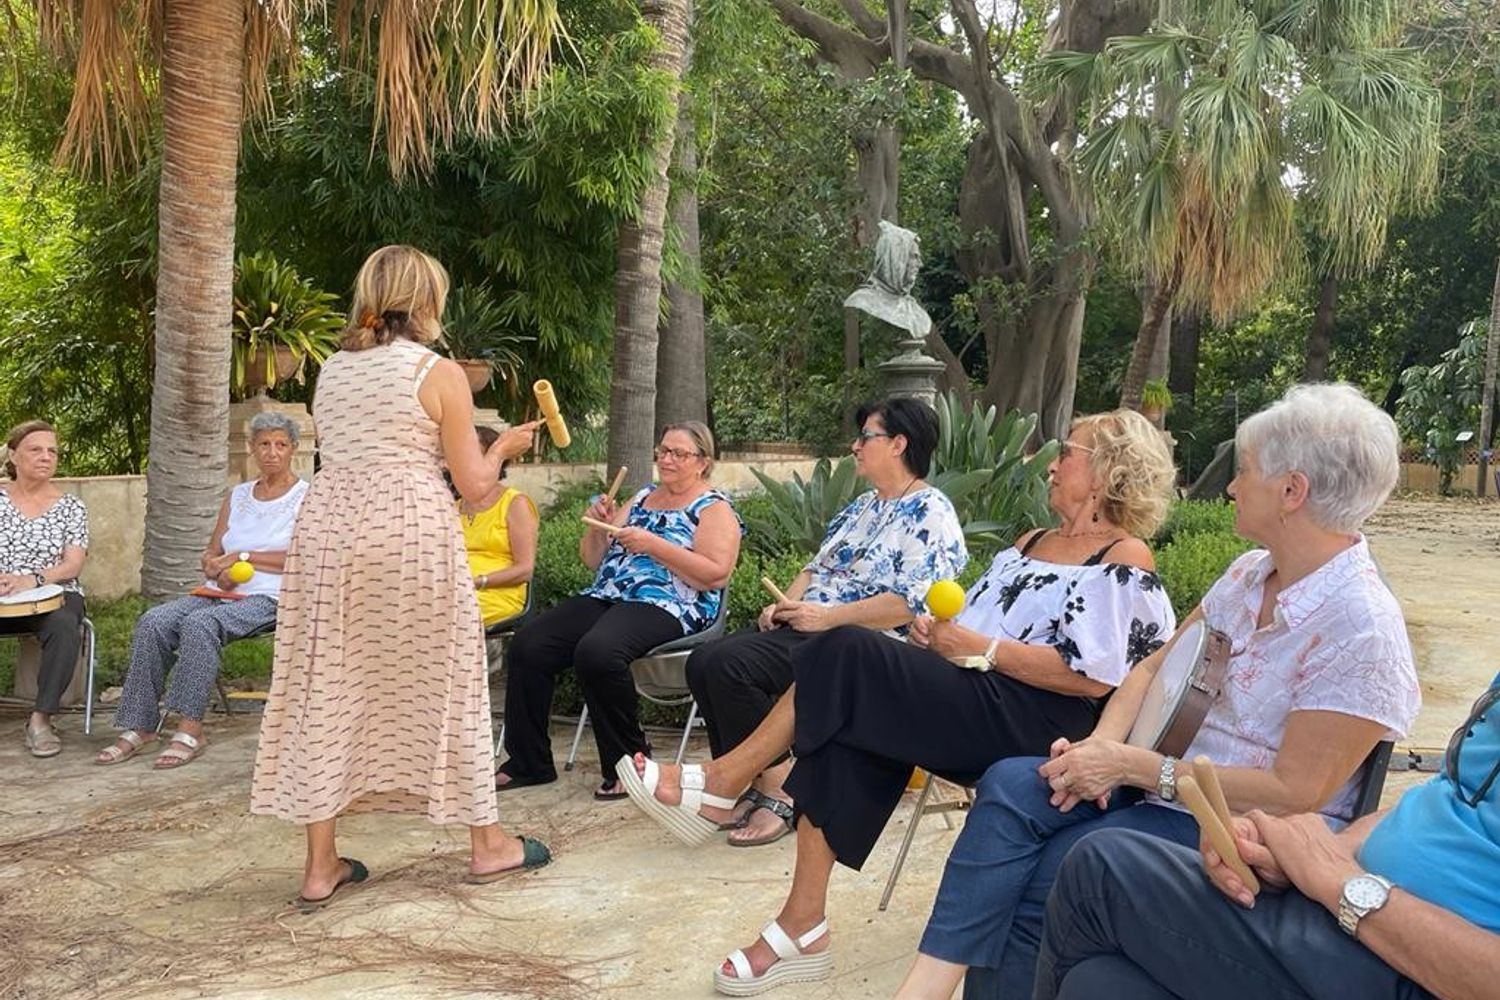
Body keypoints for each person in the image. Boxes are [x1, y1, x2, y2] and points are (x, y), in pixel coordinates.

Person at [621, 408, 1182, 996]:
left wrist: (978, 645)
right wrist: (937, 636)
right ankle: (802, 925)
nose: (1054, 459)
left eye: (1069, 449)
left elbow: (1094, 679)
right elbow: (965, 626)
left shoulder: (1123, 558)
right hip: (973, 695)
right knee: (851, 725)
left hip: (1042, 720)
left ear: (1107, 473)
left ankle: (722, 780)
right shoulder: (1030, 543)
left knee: (847, 650)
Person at [893, 383, 1422, 1000]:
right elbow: (1147, 670)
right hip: (1154, 787)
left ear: (1291, 492)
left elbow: (1293, 792)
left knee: (1048, 871)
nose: (1229, 487)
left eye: (1243, 472)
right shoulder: (1249, 574)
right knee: (1015, 783)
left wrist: (1131, 766)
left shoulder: (1360, 624)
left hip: (1236, 834)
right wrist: (1099, 752)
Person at [249, 245, 548, 909]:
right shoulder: (437, 373)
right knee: (449, 677)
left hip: (329, 533)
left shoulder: (332, 370)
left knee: (326, 683)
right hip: (407, 532)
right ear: (428, 301)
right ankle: (487, 846)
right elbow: (474, 490)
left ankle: (320, 864)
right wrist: (503, 447)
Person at [1034, 673, 1500, 1000]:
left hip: (1423, 966)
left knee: (1102, 870)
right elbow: (1449, 801)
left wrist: (1344, 885)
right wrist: (1304, 855)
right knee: (1101, 985)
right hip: (1355, 920)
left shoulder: (1358, 620)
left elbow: (1294, 789)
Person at [684, 397, 968, 846]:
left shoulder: (932, 512)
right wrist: (786, 605)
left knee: (730, 666)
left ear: (898, 444)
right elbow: (816, 568)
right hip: (813, 627)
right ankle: (749, 784)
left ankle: (779, 790)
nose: (854, 446)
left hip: (863, 646)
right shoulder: (861, 507)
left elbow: (912, 604)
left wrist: (827, 617)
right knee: (703, 660)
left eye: (865, 437)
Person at [497, 421, 742, 801]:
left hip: (671, 602)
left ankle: (629, 762)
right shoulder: (644, 495)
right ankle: (528, 762)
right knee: (530, 644)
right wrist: (599, 527)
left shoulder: (713, 508)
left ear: (703, 462)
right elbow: (594, 560)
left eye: (679, 453)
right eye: (663, 450)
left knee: (598, 652)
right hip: (609, 594)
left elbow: (714, 574)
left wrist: (653, 545)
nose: (667, 459)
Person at [95, 412, 309, 769]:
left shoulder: (307, 497)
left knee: (201, 626)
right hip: (219, 592)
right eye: (264, 444)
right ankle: (142, 724)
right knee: (154, 621)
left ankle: (191, 727)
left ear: (293, 450)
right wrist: (214, 567)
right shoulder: (238, 496)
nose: (272, 452)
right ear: (252, 449)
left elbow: (304, 557)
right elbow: (212, 553)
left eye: (280, 444)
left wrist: (243, 557)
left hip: (270, 597)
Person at [0, 420, 89, 758]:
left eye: (52, 451)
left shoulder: (71, 507)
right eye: (35, 449)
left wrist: (31, 580)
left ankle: (41, 720)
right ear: (13, 455)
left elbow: (73, 565)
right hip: (4, 595)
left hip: (55, 591)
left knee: (65, 624)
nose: (46, 457)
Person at [459, 425, 537, 628]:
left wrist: (478, 581)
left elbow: (525, 569)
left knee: (451, 613)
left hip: (495, 592)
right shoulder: (453, 505)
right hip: (455, 588)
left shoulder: (514, 503)